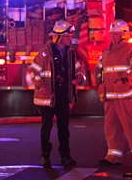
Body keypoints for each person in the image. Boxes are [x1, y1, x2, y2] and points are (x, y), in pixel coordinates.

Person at [28, 20, 85, 167]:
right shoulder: (44, 54)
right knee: (46, 127)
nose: (70, 38)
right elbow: (33, 71)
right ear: (58, 37)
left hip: (63, 96)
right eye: (67, 36)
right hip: (47, 98)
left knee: (64, 128)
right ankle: (45, 156)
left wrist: (79, 77)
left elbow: (79, 70)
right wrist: (40, 85)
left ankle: (65, 156)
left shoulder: (70, 53)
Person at [94, 19, 132, 167]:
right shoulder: (107, 52)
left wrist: (124, 79)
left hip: (126, 95)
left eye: (115, 34)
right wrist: (99, 83)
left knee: (131, 126)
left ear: (124, 34)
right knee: (111, 126)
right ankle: (113, 157)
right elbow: (98, 69)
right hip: (110, 96)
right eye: (112, 34)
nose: (112, 36)